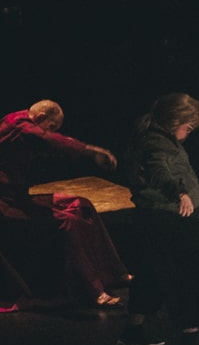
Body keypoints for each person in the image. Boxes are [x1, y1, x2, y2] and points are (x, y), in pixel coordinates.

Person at [0, 99, 128, 308]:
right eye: (50, 126)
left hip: (18, 197)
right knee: (67, 221)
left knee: (81, 203)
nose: (50, 131)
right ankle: (92, 290)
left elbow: (46, 141)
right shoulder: (18, 126)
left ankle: (113, 273)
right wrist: (88, 151)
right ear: (40, 117)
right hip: (5, 205)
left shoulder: (24, 126)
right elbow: (48, 139)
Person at [118, 93, 199, 345]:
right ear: (174, 121)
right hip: (169, 217)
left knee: (150, 273)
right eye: (188, 127)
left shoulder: (154, 138)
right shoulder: (157, 143)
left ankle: (133, 333)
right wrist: (179, 193)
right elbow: (159, 170)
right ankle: (189, 340)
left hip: (156, 217)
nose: (188, 133)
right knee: (188, 275)